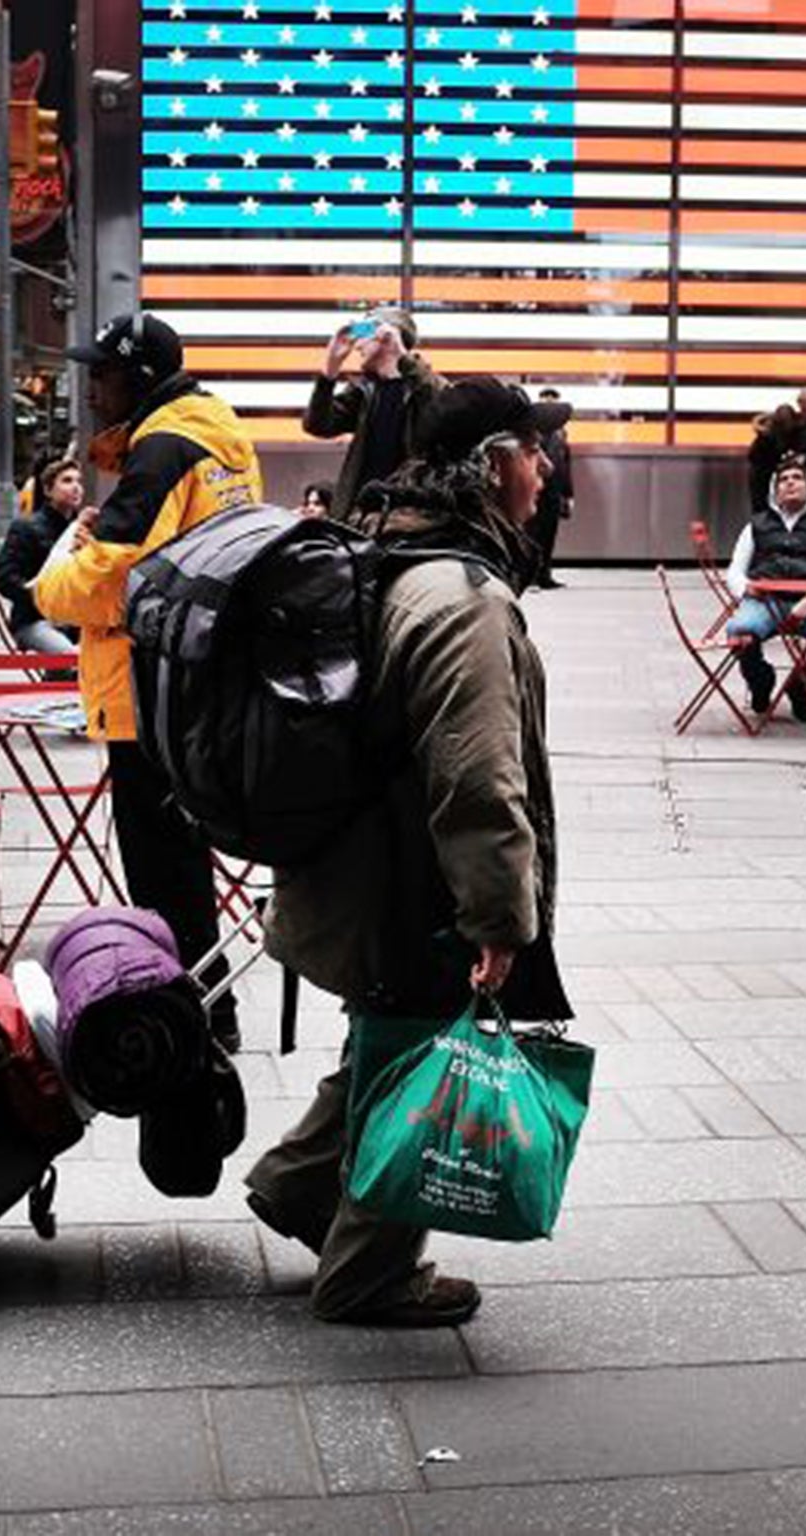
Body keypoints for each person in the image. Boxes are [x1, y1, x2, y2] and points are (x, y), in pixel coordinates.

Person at [247, 378, 572, 1329]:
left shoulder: (390, 548)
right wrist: (500, 919)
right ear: (490, 465)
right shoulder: (462, 596)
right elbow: (477, 780)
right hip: (407, 882)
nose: (545, 468)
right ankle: (370, 1273)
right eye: (533, 449)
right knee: (425, 1043)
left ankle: (299, 1187)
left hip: (351, 867)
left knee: (384, 1034)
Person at [34, 312, 262, 1051]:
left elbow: (111, 579)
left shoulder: (163, 446)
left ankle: (194, 1013)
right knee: (183, 860)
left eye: (99, 374)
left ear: (135, 378)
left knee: (160, 868)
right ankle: (202, 1001)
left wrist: (48, 586)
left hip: (147, 689)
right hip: (194, 677)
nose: (90, 387)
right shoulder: (216, 428)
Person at [723, 453, 806, 721]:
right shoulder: (755, 525)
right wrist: (747, 589)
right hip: (764, 601)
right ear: (775, 489)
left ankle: (802, 687)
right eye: (783, 480)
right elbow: (734, 572)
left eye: (797, 478)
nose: (790, 483)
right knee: (738, 630)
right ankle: (761, 681)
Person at [304, 306, 444, 513]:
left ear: (386, 336)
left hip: (409, 520)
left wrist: (402, 355)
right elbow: (317, 425)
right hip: (359, 516)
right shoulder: (364, 391)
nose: (357, 345)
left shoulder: (425, 387)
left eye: (364, 335)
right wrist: (330, 368)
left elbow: (439, 405)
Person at [0, 456, 84, 654]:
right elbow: (3, 578)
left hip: (77, 620)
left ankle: (57, 683)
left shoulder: (83, 529)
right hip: (34, 620)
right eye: (67, 481)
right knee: (72, 658)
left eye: (79, 481)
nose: (76, 487)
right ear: (48, 490)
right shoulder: (26, 528)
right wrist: (39, 595)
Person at [530, 386, 573, 589]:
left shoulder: (562, 433)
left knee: (549, 535)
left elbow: (566, 465)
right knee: (533, 534)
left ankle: (545, 575)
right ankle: (530, 576)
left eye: (552, 400)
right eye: (544, 399)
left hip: (555, 491)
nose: (549, 403)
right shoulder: (532, 430)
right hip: (536, 490)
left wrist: (568, 494)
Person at [745, 405, 800, 514]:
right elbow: (753, 455)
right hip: (763, 477)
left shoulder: (793, 434)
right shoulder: (767, 435)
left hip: (775, 477)